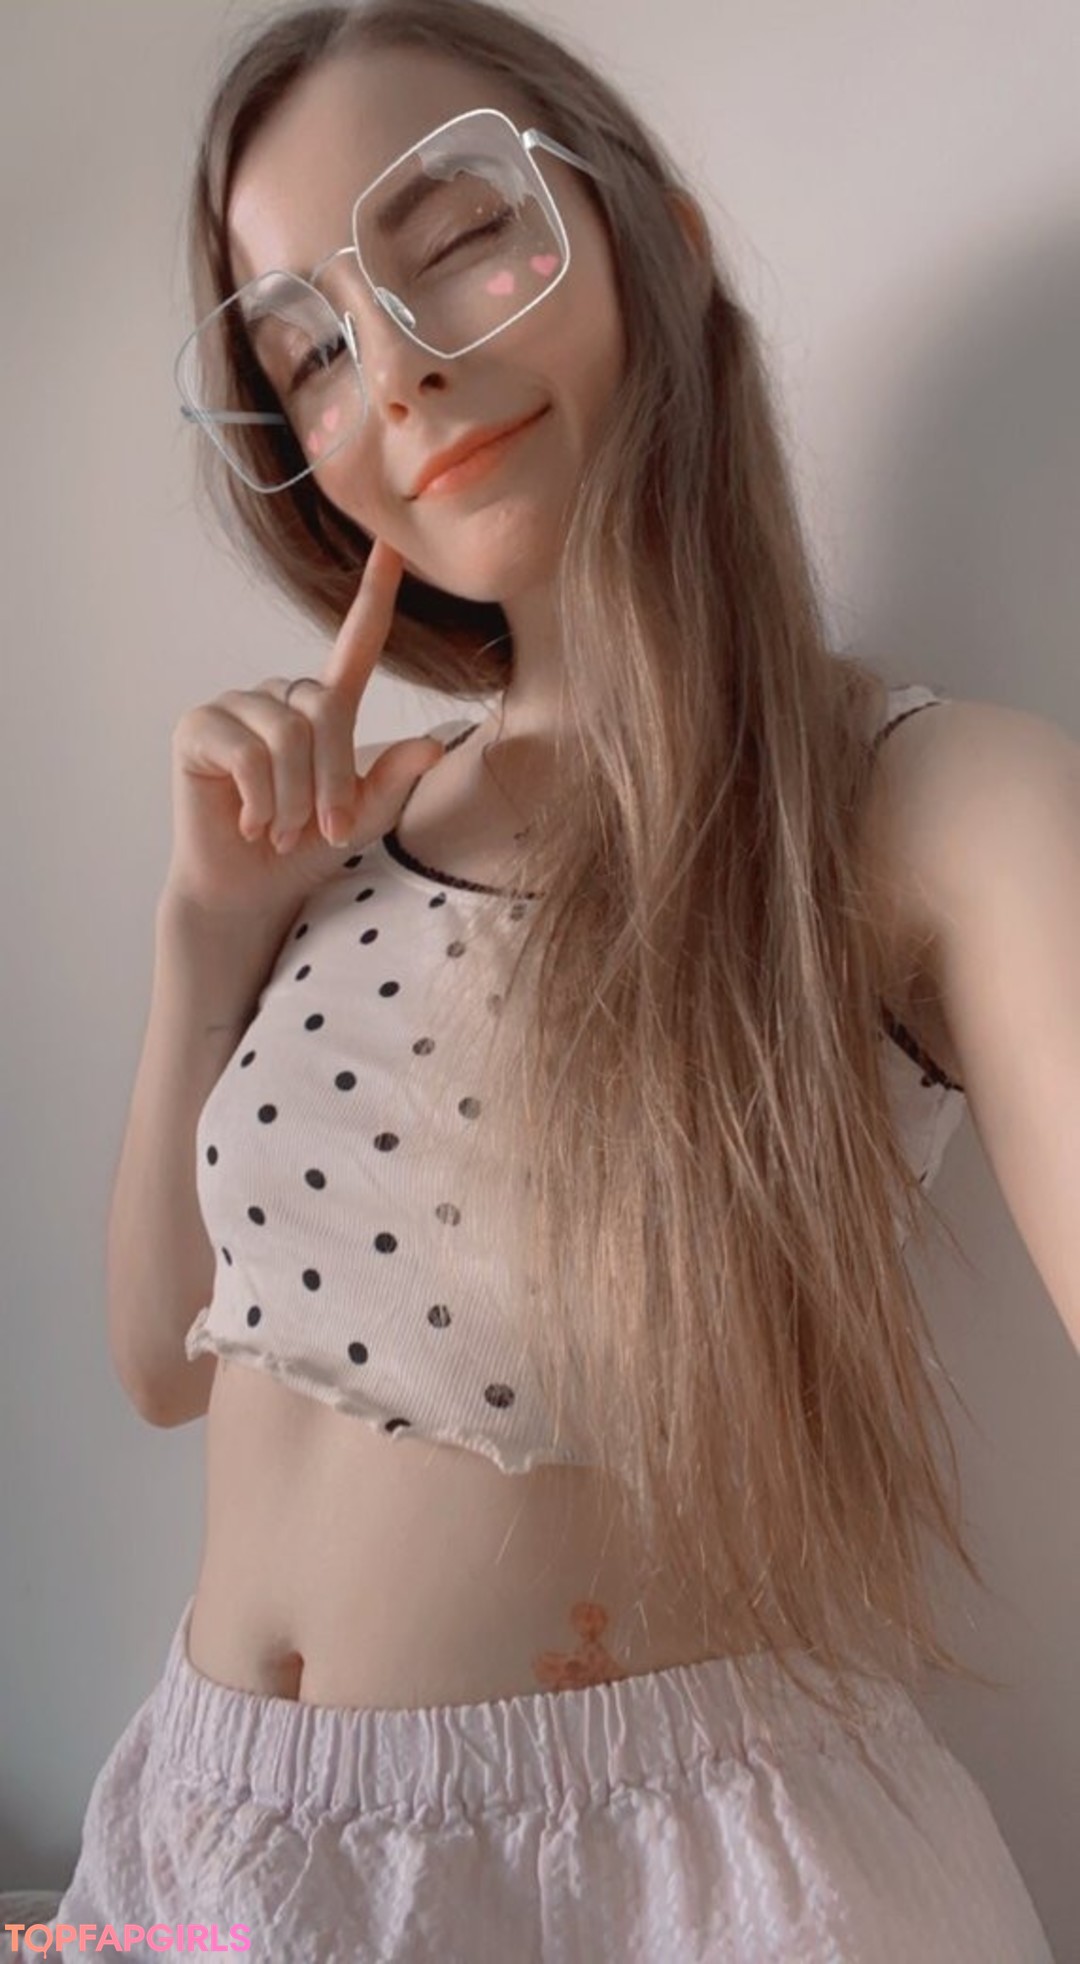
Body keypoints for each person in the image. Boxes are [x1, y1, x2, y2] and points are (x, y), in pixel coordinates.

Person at [46, 2, 1059, 1957]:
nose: (398, 368)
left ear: (653, 239)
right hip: (204, 1844)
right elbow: (164, 1359)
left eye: (452, 237)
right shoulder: (352, 821)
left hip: (644, 1882)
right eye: (306, 351)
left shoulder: (913, 805)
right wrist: (204, 938)